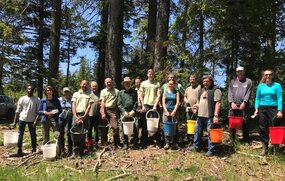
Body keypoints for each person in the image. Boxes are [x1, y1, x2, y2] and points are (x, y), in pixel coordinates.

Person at [190, 75, 222, 156]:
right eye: (204, 81)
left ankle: (211, 150)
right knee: (197, 131)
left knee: (210, 132)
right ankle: (196, 147)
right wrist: (196, 106)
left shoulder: (215, 90)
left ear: (211, 81)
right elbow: (198, 102)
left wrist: (216, 116)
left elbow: (218, 103)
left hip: (210, 116)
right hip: (200, 115)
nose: (205, 83)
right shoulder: (201, 90)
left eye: (207, 81)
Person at [254, 70, 283, 156]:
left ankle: (276, 149)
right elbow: (257, 99)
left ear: (272, 75)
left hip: (273, 108)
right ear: (263, 76)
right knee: (262, 127)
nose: (268, 76)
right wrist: (256, 109)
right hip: (262, 108)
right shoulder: (260, 86)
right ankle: (264, 149)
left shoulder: (277, 86)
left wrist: (280, 110)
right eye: (266, 74)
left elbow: (279, 98)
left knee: (274, 127)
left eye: (270, 74)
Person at [13, 84, 39, 157]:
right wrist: (15, 122)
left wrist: (35, 121)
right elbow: (18, 110)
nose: (30, 90)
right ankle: (19, 150)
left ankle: (34, 149)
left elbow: (38, 112)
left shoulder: (37, 99)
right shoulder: (22, 98)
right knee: (20, 134)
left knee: (33, 135)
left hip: (32, 121)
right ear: (26, 90)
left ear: (33, 90)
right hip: (22, 119)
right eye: (29, 89)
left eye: (31, 89)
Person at [228, 67, 252, 144]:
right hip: (234, 105)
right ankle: (232, 139)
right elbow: (230, 93)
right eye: (238, 71)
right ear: (236, 73)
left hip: (244, 105)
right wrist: (231, 102)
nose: (240, 73)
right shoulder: (232, 81)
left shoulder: (248, 81)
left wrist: (244, 102)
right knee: (232, 122)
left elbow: (248, 92)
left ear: (244, 72)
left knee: (245, 122)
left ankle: (245, 140)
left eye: (241, 71)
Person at [71, 80, 94, 157]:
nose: (84, 85)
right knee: (74, 133)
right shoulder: (76, 94)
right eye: (83, 84)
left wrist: (85, 116)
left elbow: (89, 106)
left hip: (85, 116)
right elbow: (73, 105)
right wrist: (75, 116)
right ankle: (75, 151)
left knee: (83, 133)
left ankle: (81, 152)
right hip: (76, 115)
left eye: (86, 84)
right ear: (80, 84)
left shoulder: (90, 94)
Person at [139, 68, 162, 148]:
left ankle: (158, 142)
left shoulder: (157, 83)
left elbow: (159, 95)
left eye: (152, 73)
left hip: (154, 105)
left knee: (156, 124)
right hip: (146, 105)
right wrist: (143, 105)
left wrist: (155, 105)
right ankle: (144, 142)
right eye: (149, 73)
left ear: (153, 74)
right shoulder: (143, 83)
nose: (151, 75)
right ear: (147, 74)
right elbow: (141, 95)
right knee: (145, 124)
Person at [118, 77, 138, 150]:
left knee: (136, 126)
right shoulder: (121, 92)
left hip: (133, 112)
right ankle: (125, 144)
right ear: (124, 84)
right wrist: (123, 112)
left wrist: (133, 110)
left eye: (129, 82)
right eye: (126, 83)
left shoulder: (134, 92)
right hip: (124, 112)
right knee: (124, 128)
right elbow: (119, 104)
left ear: (130, 83)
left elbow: (136, 102)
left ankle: (135, 143)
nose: (127, 84)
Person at [100, 77, 120, 147]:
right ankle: (104, 142)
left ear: (112, 82)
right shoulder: (103, 91)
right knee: (104, 127)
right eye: (107, 82)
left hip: (113, 111)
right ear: (105, 83)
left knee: (115, 127)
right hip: (105, 109)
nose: (109, 83)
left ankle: (116, 143)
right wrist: (102, 113)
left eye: (110, 82)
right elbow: (102, 102)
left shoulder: (117, 91)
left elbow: (119, 102)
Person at [162, 80, 180, 150]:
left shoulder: (177, 92)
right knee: (166, 127)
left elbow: (177, 102)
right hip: (166, 111)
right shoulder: (165, 93)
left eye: (172, 84)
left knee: (175, 127)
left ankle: (174, 143)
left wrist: (174, 111)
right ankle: (167, 143)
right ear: (167, 85)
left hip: (174, 111)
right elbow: (163, 102)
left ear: (174, 84)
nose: (171, 85)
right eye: (169, 84)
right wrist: (166, 111)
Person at [184, 74, 201, 146]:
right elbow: (184, 97)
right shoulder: (188, 88)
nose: (192, 81)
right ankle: (189, 141)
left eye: (193, 79)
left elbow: (200, 98)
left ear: (196, 80)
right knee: (189, 125)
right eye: (191, 79)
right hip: (189, 110)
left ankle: (196, 141)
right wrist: (186, 101)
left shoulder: (199, 87)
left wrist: (197, 106)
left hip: (197, 110)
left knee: (197, 126)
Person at [58, 87, 73, 156]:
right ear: (63, 92)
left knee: (69, 133)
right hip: (61, 118)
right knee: (61, 133)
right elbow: (56, 107)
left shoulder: (72, 99)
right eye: (65, 92)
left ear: (69, 92)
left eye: (67, 91)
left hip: (69, 118)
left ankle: (70, 149)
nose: (66, 93)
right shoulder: (59, 99)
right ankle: (62, 149)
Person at [88, 81, 100, 149]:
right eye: (93, 86)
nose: (94, 87)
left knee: (96, 130)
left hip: (97, 115)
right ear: (91, 87)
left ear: (97, 87)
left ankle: (96, 143)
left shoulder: (99, 94)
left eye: (95, 86)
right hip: (89, 115)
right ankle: (90, 143)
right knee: (89, 129)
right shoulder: (88, 95)